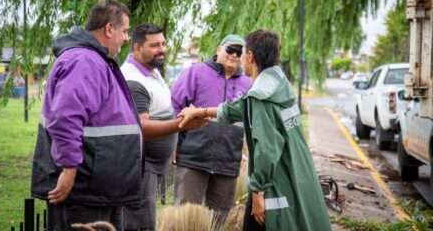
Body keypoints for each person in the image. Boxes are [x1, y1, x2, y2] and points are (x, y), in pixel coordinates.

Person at [178, 30, 332, 231]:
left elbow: (267, 149)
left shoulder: (260, 96)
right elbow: (238, 108)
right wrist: (200, 111)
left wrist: (258, 192)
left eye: (242, 53)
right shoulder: (278, 84)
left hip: (275, 180)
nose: (239, 58)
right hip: (298, 169)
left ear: (249, 56)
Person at [31, 0, 142, 231]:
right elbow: (66, 118)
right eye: (125, 31)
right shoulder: (85, 61)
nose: (126, 38)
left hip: (97, 188)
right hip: (84, 190)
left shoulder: (95, 60)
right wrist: (69, 168)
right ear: (109, 29)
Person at [120, 23, 206, 231]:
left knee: (147, 218)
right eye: (154, 45)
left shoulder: (152, 71)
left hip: (153, 166)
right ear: (137, 47)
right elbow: (142, 127)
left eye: (163, 43)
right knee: (140, 223)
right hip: (141, 165)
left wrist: (172, 144)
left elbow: (162, 111)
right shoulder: (133, 79)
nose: (162, 49)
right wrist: (181, 125)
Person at [171, 34, 252, 227]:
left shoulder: (248, 84)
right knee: (184, 217)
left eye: (239, 52)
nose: (234, 55)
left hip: (228, 163)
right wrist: (173, 144)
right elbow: (175, 107)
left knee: (220, 219)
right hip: (193, 159)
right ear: (218, 50)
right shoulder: (196, 72)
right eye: (229, 50)